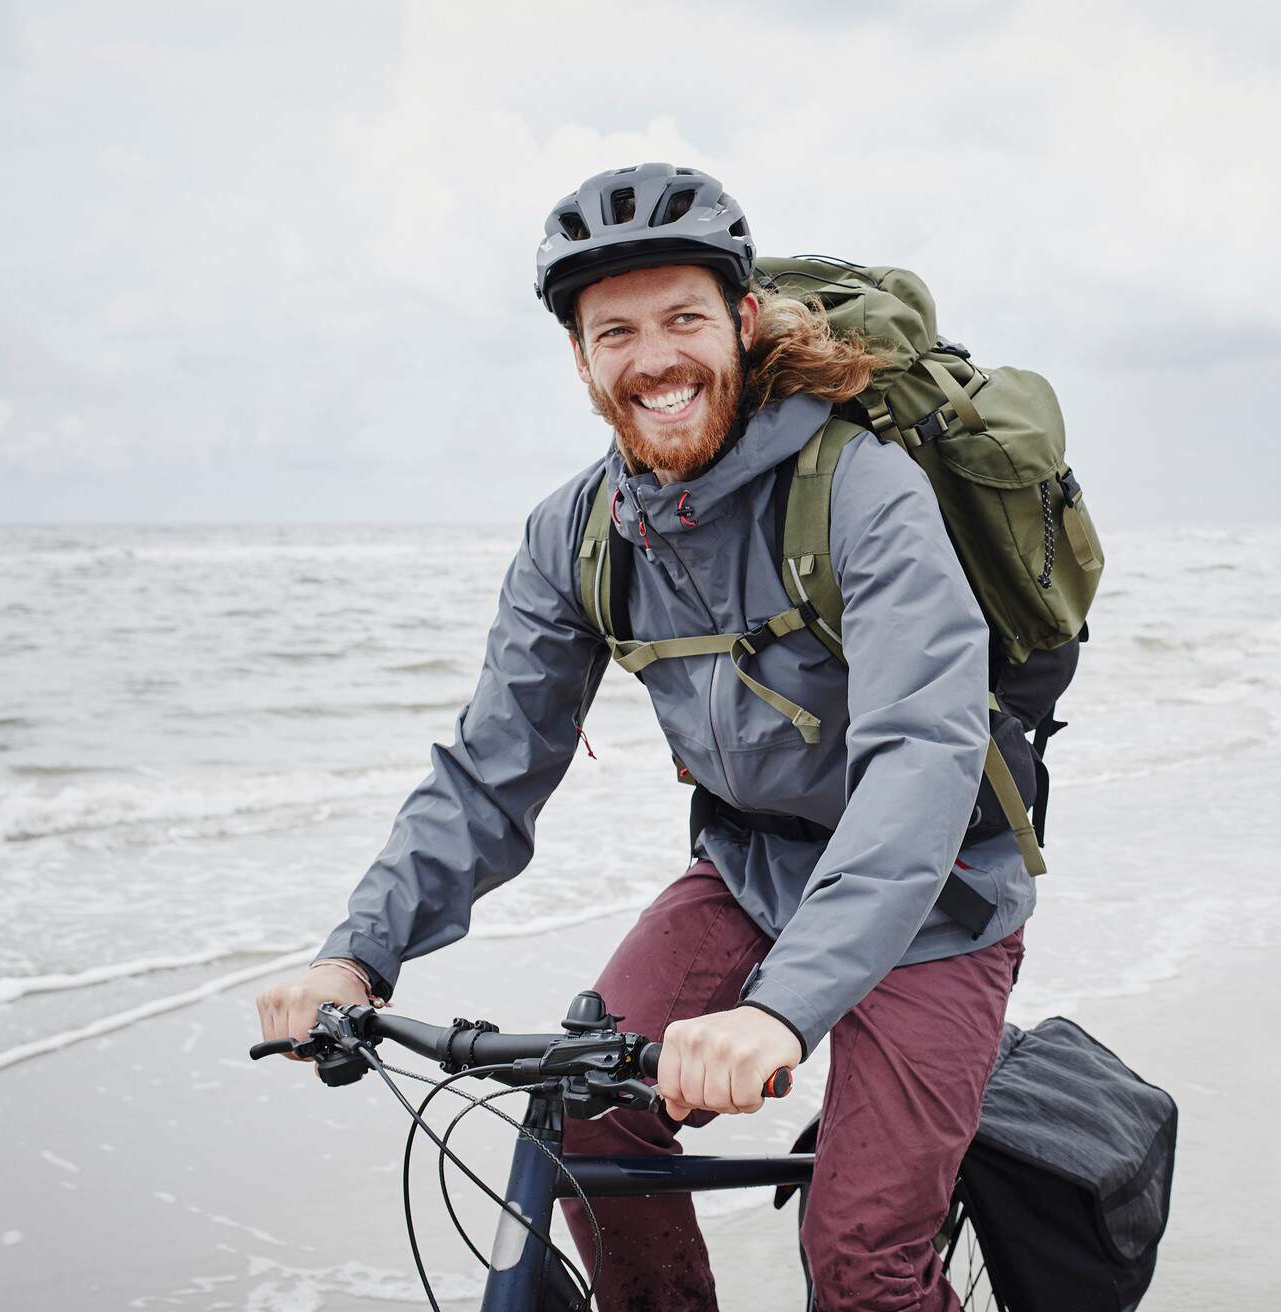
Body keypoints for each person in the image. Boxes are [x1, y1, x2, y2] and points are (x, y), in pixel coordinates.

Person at [255, 162, 1035, 1310]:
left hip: (938, 894)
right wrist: (355, 950)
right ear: (581, 359)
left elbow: (922, 756)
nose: (655, 357)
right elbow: (490, 768)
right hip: (752, 867)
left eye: (683, 318)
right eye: (615, 330)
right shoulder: (576, 533)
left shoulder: (864, 489)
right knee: (584, 1114)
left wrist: (778, 1007)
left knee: (863, 1261)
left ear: (744, 321)